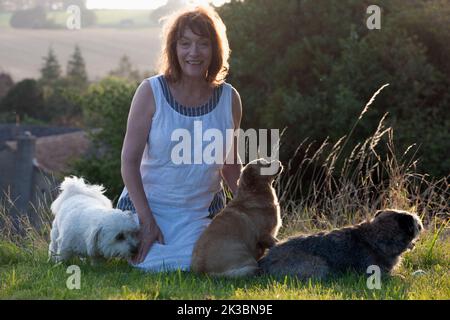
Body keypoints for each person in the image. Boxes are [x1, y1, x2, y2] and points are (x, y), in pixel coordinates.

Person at [117, 5, 243, 272]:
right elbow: (129, 163)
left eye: (203, 44)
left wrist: (251, 209)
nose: (193, 53)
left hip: (200, 215)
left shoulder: (230, 98)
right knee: (154, 266)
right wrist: (147, 221)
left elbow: (230, 164)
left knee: (218, 263)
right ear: (174, 49)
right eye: (185, 44)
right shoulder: (150, 92)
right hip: (148, 209)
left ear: (215, 49)